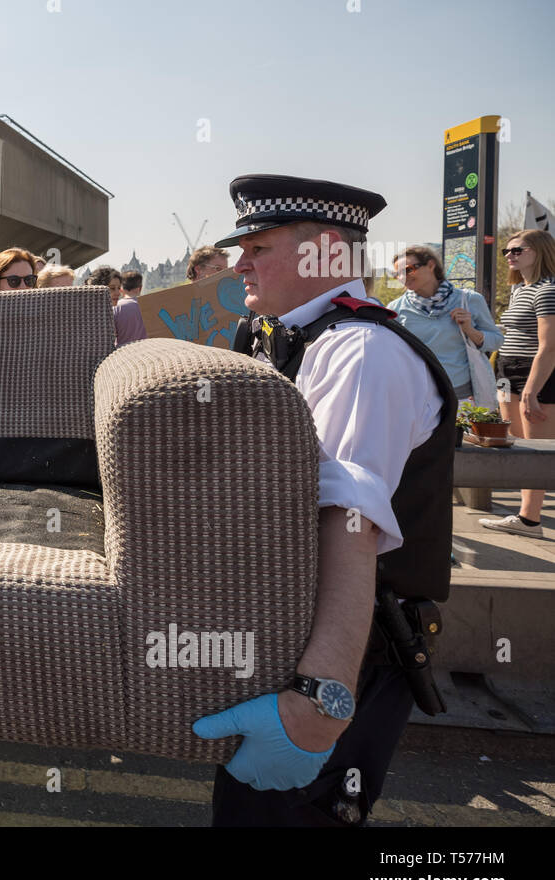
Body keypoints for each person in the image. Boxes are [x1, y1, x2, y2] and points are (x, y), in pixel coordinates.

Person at [193, 175, 455, 827]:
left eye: (258, 244)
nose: (238, 262)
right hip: (295, 636)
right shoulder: (284, 336)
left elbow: (349, 519)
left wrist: (318, 703)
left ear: (327, 252)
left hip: (343, 652)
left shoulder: (360, 352)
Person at [478, 229, 555, 538]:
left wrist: (532, 391)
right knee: (517, 442)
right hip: (508, 372)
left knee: (536, 450)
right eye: (506, 251)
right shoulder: (521, 289)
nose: (509, 255)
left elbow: (549, 347)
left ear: (539, 251)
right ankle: (525, 516)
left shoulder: (548, 290)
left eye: (517, 250)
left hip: (535, 375)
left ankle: (530, 519)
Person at [388, 246, 503, 403]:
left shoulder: (469, 300)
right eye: (397, 274)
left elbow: (496, 340)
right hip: (417, 397)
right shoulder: (395, 309)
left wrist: (470, 330)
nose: (402, 277)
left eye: (408, 270)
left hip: (462, 397)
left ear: (430, 265)